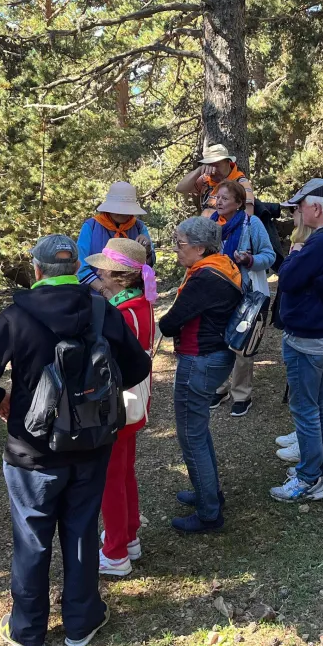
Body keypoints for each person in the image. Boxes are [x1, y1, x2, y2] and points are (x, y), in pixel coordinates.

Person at [0, 235, 151, 646]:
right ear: (76, 267)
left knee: (32, 537)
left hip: (33, 448)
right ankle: (80, 622)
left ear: (38, 269)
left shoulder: (17, 315)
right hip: (92, 443)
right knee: (81, 530)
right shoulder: (103, 309)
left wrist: (0, 399)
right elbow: (139, 366)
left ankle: (28, 630)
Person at [270, 183, 323, 502]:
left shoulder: (321, 242)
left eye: (298, 207)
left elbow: (288, 278)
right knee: (317, 403)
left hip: (308, 337)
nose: (295, 213)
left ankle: (309, 478)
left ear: (315, 208)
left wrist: (293, 256)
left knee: (305, 407)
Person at [159, 217, 243, 533]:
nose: (176, 250)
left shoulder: (205, 278)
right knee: (198, 430)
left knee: (191, 434)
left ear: (199, 247)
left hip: (200, 360)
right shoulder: (223, 266)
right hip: (214, 355)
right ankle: (209, 494)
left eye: (179, 244)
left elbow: (169, 323)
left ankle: (209, 513)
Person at [85, 238, 158, 577]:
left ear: (118, 276)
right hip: (134, 400)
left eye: (102, 268)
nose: (97, 272)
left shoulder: (120, 314)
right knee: (124, 470)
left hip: (116, 402)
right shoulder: (141, 303)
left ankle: (115, 552)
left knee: (110, 478)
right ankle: (128, 535)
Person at [208, 180, 276, 418]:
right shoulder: (210, 224)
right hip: (215, 292)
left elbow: (269, 255)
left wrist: (248, 260)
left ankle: (241, 394)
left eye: (225, 198)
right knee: (215, 342)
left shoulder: (251, 223)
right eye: (218, 197)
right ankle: (218, 387)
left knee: (241, 343)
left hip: (243, 293)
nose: (219, 202)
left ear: (238, 203)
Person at [76, 182, 155, 299]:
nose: (121, 212)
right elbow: (81, 267)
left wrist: (147, 252)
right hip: (96, 297)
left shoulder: (139, 227)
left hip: (132, 297)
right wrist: (104, 290)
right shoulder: (91, 227)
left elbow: (147, 265)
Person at [176, 143, 256, 216]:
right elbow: (180, 188)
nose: (213, 170)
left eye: (217, 165)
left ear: (228, 162)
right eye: (210, 165)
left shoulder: (241, 183)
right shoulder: (206, 180)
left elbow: (248, 216)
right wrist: (198, 171)